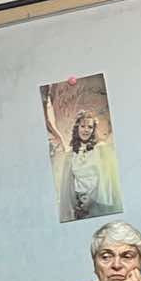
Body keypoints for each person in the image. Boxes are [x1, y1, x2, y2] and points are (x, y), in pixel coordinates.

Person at [45, 89, 121, 222]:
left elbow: (107, 181)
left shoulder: (101, 149)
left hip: (99, 203)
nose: (86, 130)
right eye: (83, 126)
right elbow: (67, 187)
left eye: (90, 127)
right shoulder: (71, 154)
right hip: (80, 206)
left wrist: (91, 200)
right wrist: (77, 205)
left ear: (93, 130)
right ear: (77, 127)